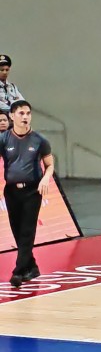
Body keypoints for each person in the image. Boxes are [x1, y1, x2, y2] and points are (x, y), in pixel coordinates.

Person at [1, 101, 54, 288]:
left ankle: (18, 271)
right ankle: (32, 267)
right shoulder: (4, 139)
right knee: (17, 230)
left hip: (32, 190)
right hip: (11, 191)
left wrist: (45, 178)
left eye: (28, 113)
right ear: (12, 116)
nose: (25, 117)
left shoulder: (40, 140)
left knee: (27, 231)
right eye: (21, 113)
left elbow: (50, 165)